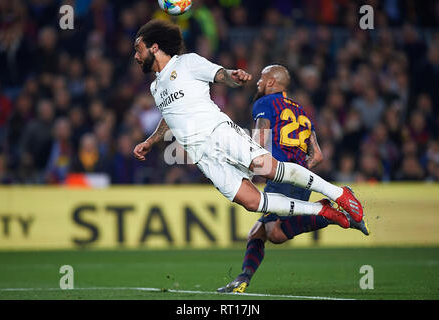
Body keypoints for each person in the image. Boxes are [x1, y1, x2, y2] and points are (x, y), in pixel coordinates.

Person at [132, 20, 364, 241]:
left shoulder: (186, 63)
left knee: (269, 169)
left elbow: (222, 74)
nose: (136, 55)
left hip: (217, 132)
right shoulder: (155, 86)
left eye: (138, 49)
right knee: (252, 202)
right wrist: (151, 141)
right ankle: (322, 211)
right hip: (201, 155)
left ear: (154, 47)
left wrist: (235, 76)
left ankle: (339, 194)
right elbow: (170, 116)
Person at [217, 65, 369, 293]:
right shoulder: (302, 111)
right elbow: (317, 155)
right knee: (262, 232)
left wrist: (245, 166)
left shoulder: (264, 104)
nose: (257, 82)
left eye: (261, 78)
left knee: (274, 233)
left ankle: (332, 214)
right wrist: (298, 171)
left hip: (280, 175)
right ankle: (243, 278)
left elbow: (258, 142)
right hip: (301, 177)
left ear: (271, 83)